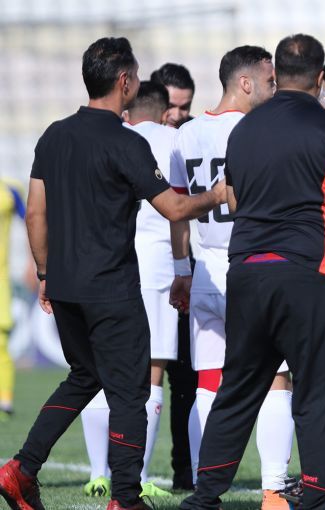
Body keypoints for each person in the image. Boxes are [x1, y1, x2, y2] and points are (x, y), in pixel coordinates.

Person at [0, 37, 226, 510]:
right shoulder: (127, 142)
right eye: (137, 75)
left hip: (65, 285)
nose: (139, 82)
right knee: (129, 392)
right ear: (124, 81)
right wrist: (220, 194)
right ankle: (125, 498)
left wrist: (44, 273)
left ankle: (20, 469)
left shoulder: (54, 135)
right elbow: (176, 208)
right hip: (111, 289)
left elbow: (36, 213)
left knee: (84, 376)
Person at [179, 33, 325, 510]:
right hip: (308, 272)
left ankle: (204, 498)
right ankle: (317, 496)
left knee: (236, 391)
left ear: (278, 72)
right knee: (316, 392)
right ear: (320, 76)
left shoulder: (244, 129)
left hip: (247, 273)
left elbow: (232, 199)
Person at [168, 46, 294, 509]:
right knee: (277, 379)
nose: (274, 89)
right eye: (269, 81)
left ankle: (204, 489)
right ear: (245, 83)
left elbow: (178, 212)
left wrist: (182, 271)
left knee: (207, 381)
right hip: (253, 265)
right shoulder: (260, 129)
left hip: (204, 267)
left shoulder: (186, 134)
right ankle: (274, 490)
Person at [78, 81, 177, 499]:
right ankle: (137, 476)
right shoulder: (172, 140)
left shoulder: (108, 138)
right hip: (158, 267)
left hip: (106, 264)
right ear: (164, 112)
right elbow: (178, 209)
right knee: (150, 373)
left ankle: (97, 472)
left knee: (97, 368)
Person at [150, 60, 198, 490]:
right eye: (172, 107)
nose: (178, 115)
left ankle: (186, 469)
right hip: (145, 271)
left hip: (188, 269)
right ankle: (118, 471)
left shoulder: (193, 139)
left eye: (185, 107)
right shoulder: (137, 140)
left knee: (187, 377)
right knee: (141, 373)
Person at [0, 176, 25, 422]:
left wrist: (35, 262)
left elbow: (32, 219)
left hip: (1, 281)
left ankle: (4, 402)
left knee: (1, 343)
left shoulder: (9, 189)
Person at [150, 63, 195, 128]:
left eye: (184, 107)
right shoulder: (136, 129)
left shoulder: (198, 131)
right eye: (169, 106)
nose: (176, 117)